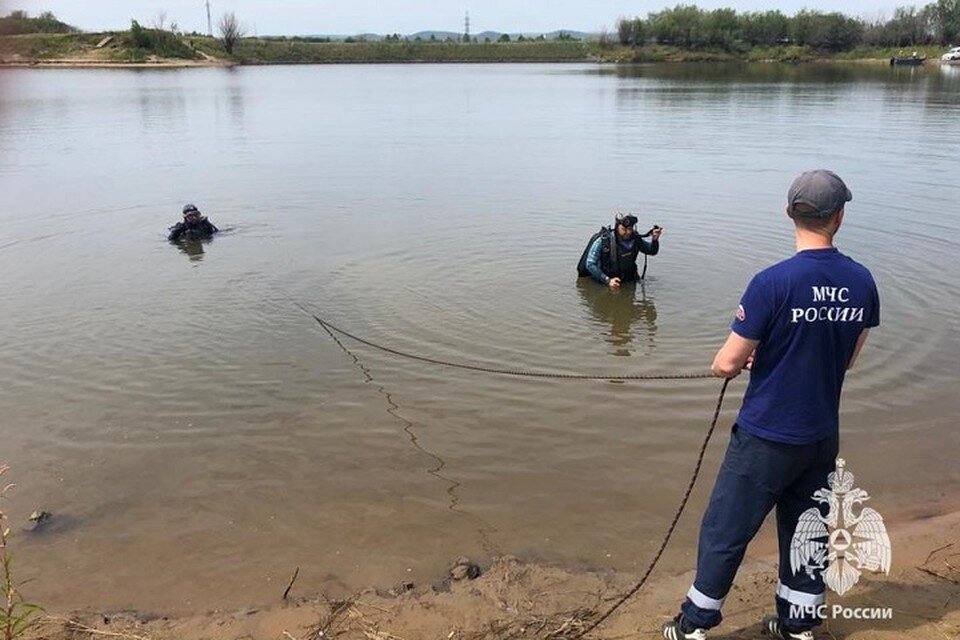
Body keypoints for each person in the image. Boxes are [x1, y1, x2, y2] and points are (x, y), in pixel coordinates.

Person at [661, 170, 880, 640]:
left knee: (726, 529)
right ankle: (797, 626)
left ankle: (694, 624)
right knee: (808, 531)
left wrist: (750, 358)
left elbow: (726, 363)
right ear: (839, 217)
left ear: (789, 214)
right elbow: (846, 361)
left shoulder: (771, 283)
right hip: (821, 435)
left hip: (765, 436)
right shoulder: (862, 282)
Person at [582, 214, 662, 289]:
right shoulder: (604, 241)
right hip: (607, 281)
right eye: (623, 229)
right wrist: (607, 280)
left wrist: (655, 240)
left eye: (630, 229)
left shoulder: (635, 240)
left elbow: (651, 251)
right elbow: (590, 264)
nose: (627, 232)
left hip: (628, 280)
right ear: (617, 227)